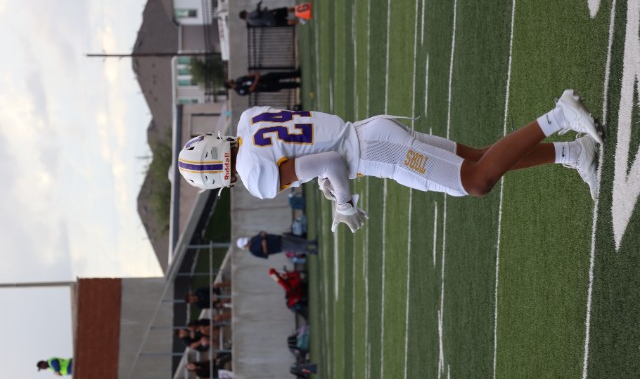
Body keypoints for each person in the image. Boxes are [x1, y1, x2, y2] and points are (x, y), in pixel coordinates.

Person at [178, 90, 603, 233]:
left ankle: (560, 116)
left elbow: (329, 162)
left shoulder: (254, 174)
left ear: (216, 176)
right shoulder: (249, 120)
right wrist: (326, 180)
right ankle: (572, 152)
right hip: (369, 133)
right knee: (476, 159)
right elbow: (311, 148)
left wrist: (344, 204)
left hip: (378, 151)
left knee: (475, 181)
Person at [236, 231, 318, 259]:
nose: (248, 242)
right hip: (278, 246)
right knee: (296, 248)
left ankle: (311, 242)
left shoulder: (253, 239)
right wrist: (264, 245)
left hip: (278, 238)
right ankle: (312, 251)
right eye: (246, 243)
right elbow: (265, 255)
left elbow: (262, 235)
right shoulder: (253, 251)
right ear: (245, 246)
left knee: (297, 241)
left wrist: (263, 234)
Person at [226, 70, 301, 96]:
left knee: (279, 75)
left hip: (263, 78)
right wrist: (256, 80)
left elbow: (247, 76)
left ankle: (296, 74)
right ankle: (297, 84)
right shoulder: (239, 91)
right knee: (280, 85)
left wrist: (255, 74)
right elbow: (251, 89)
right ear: (229, 84)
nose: (229, 80)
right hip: (263, 86)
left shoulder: (238, 80)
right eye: (228, 81)